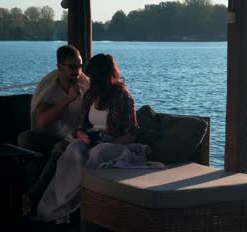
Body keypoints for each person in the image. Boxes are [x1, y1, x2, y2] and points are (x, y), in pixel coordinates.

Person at [36, 53, 162, 224]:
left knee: (98, 152)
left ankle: (64, 208)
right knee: (72, 150)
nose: (89, 79)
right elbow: (82, 125)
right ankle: (55, 206)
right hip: (92, 141)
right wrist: (80, 134)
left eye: (93, 76)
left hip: (115, 144)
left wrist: (110, 142)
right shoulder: (90, 95)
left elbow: (132, 133)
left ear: (103, 75)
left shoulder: (122, 96)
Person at [17, 45, 89, 214]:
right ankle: (34, 182)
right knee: (25, 138)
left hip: (75, 138)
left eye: (79, 66)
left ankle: (32, 195)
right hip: (53, 135)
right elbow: (41, 121)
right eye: (72, 67)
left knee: (59, 149)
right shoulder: (51, 88)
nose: (77, 71)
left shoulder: (86, 87)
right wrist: (68, 99)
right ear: (60, 68)